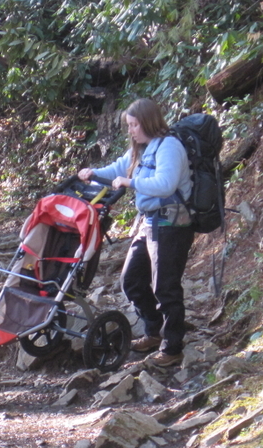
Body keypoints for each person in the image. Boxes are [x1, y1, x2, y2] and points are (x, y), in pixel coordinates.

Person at [78, 98, 194, 368]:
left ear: (148, 122)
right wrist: (93, 173)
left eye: (134, 125)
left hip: (172, 223)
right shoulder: (142, 149)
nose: (130, 130)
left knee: (165, 286)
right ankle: (153, 331)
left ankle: (172, 346)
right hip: (150, 222)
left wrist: (130, 182)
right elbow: (118, 168)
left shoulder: (170, 147)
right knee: (131, 280)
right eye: (128, 125)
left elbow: (165, 184)